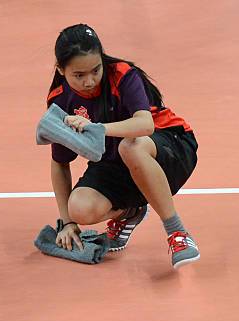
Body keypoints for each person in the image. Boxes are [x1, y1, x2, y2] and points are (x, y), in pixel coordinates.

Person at [47, 24, 200, 268]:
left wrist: (97, 128)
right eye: (79, 75)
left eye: (95, 70)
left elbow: (145, 125)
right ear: (60, 69)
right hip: (118, 162)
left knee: (130, 147)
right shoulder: (59, 99)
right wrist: (67, 223)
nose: (89, 81)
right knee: (78, 208)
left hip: (170, 146)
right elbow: (60, 162)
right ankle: (130, 212)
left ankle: (177, 233)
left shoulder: (122, 75)